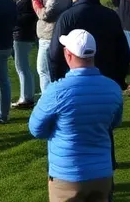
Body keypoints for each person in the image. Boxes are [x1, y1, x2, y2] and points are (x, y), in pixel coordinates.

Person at [29, 29, 124, 202]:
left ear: (68, 54)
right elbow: (114, 121)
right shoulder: (113, 88)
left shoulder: (58, 90)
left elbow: (36, 129)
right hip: (102, 174)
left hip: (67, 176)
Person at [49, 0, 130, 87]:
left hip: (76, 84)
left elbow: (54, 55)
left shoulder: (66, 18)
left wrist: (58, 83)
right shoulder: (111, 15)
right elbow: (123, 53)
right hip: (108, 82)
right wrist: (119, 81)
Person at [33, 0, 71, 92]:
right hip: (52, 35)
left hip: (49, 36)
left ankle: (48, 99)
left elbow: (45, 15)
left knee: (44, 70)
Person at [11, 0, 38, 109]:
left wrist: (12, 19)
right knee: (23, 67)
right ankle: (27, 95)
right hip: (20, 34)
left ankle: (26, 97)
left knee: (22, 67)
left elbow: (29, 16)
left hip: (22, 35)